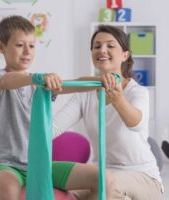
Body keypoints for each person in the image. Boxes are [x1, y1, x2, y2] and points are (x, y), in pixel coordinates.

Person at [0, 16, 114, 200]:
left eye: (32, 45)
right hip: (4, 165)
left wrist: (100, 80)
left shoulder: (40, 85)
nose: (27, 51)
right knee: (9, 188)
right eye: (20, 45)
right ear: (1, 47)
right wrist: (35, 78)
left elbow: (71, 84)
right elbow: (4, 82)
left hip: (40, 164)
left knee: (102, 179)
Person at [53, 25, 163, 200]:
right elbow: (53, 128)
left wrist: (118, 98)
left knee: (106, 188)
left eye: (110, 46)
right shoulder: (86, 93)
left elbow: (136, 123)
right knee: (63, 195)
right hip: (102, 173)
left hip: (142, 176)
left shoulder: (137, 92)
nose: (102, 50)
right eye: (97, 46)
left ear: (125, 56)